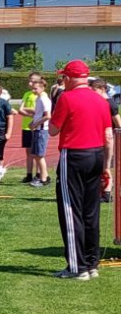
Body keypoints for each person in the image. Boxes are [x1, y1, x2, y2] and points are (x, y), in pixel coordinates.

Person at [49, 60, 113, 280]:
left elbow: (53, 130)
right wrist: (107, 166)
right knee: (90, 210)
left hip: (74, 155)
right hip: (96, 154)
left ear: (69, 78)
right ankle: (92, 263)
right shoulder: (101, 99)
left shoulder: (66, 98)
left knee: (70, 210)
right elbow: (108, 136)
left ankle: (77, 267)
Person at [27, 77, 52, 188]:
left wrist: (35, 124)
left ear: (42, 88)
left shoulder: (44, 99)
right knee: (36, 155)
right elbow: (38, 114)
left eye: (36, 88)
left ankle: (43, 178)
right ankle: (45, 175)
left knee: (39, 155)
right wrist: (33, 122)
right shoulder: (38, 98)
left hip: (41, 130)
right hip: (37, 129)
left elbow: (47, 116)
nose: (33, 90)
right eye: (33, 88)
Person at [17, 72, 41, 183]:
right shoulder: (27, 94)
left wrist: (31, 112)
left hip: (37, 127)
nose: (29, 83)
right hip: (26, 127)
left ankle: (39, 174)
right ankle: (29, 174)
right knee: (29, 153)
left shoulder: (41, 95)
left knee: (37, 152)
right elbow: (20, 110)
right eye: (29, 80)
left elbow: (40, 112)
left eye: (32, 80)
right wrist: (30, 113)